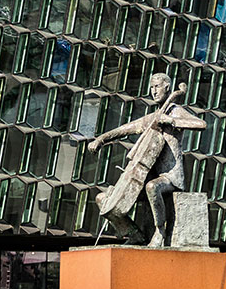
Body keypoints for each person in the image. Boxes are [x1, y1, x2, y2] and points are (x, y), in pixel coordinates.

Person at [88, 73, 207, 247]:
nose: (154, 91)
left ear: (167, 87)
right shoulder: (153, 117)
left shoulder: (175, 110)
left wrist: (171, 120)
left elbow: (201, 124)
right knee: (102, 199)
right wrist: (101, 139)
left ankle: (160, 232)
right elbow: (125, 129)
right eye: (151, 87)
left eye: (157, 86)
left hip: (170, 176)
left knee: (152, 187)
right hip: (146, 176)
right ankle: (134, 234)